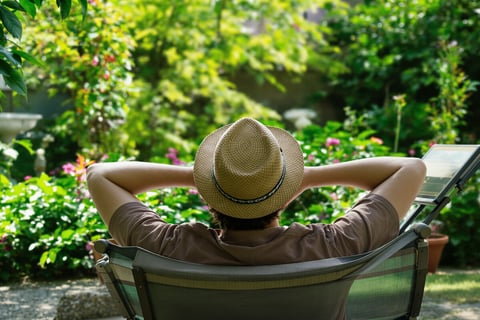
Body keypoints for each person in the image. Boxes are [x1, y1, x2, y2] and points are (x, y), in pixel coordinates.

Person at [86, 117, 426, 265]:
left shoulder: (168, 247)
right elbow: (410, 169)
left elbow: (100, 175)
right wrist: (303, 178)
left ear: (210, 195)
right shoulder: (334, 244)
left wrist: (206, 180)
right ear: (284, 193)